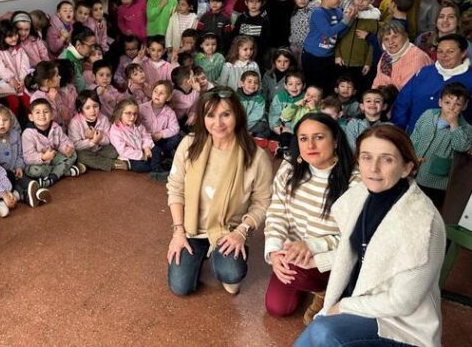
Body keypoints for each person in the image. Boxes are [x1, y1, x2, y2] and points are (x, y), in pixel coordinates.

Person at [296, 125, 445, 347]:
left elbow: (403, 302)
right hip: (363, 302)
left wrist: (343, 307)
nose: (373, 168)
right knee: (321, 330)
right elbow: (368, 253)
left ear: (406, 168)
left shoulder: (424, 223)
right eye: (366, 157)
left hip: (401, 324)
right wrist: (319, 260)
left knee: (324, 332)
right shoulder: (361, 195)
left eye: (387, 160)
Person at [167, 87, 273, 296]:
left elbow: (263, 202)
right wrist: (178, 231)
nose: (218, 123)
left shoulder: (256, 156)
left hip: (228, 230)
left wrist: (241, 232)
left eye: (226, 114)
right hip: (191, 229)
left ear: (237, 115)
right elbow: (175, 188)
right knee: (180, 287)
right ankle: (202, 253)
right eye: (210, 115)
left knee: (231, 274)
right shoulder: (189, 145)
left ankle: (224, 261)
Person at [265, 113, 355, 324]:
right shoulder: (289, 169)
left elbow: (352, 236)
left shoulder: (355, 179)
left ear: (335, 140)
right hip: (292, 253)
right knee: (277, 308)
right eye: (303, 138)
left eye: (319, 137)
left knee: (298, 271)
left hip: (329, 257)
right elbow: (276, 213)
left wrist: (312, 246)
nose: (310, 145)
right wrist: (274, 251)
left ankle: (326, 289)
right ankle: (309, 281)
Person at [392, 34, 472, 132]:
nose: (444, 55)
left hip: (449, 141)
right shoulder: (424, 72)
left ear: (463, 53)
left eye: (450, 51)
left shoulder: (469, 79)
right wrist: (399, 128)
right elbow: (403, 102)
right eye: (440, 51)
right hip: (414, 135)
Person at [411, 82, 472, 209]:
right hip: (413, 170)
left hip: (436, 180)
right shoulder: (428, 114)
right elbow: (415, 136)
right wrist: (411, 155)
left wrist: (454, 125)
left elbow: (461, 147)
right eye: (447, 103)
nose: (451, 108)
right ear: (440, 102)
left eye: (458, 104)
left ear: (465, 106)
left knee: (428, 210)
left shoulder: (466, 128)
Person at [303, 0, 357, 94]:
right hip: (312, 57)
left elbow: (340, 33)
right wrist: (346, 20)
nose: (340, 0)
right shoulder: (318, 12)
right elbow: (328, 32)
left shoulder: (338, 11)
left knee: (327, 87)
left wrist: (349, 21)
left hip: (328, 56)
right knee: (312, 87)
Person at [22, 98, 84, 190]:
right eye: (37, 112)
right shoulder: (28, 133)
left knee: (73, 154)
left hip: (54, 157)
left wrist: (66, 148)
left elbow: (63, 141)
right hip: (39, 163)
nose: (42, 115)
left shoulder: (55, 127)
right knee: (33, 171)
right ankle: (62, 171)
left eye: (46, 112)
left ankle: (52, 178)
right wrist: (43, 157)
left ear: (51, 115)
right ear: (31, 117)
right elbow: (28, 157)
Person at [68, 89, 123, 172]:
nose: (92, 111)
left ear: (99, 105)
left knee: (115, 151)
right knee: (80, 156)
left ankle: (90, 164)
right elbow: (75, 144)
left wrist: (98, 138)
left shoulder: (103, 118)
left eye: (95, 106)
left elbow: (109, 139)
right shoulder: (75, 122)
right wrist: (92, 142)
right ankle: (113, 164)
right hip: (84, 151)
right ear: (80, 109)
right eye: (87, 108)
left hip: (101, 148)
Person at [372, 22, 432, 91]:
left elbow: (408, 90)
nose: (391, 42)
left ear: (405, 36)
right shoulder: (385, 57)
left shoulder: (417, 57)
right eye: (386, 39)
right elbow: (377, 83)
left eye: (394, 37)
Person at [0, 19, 31, 118]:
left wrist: (22, 79)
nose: (14, 38)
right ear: (2, 36)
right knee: (14, 103)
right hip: (6, 87)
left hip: (21, 84)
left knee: (29, 101)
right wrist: (11, 80)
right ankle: (13, 124)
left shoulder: (20, 49)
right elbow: (0, 68)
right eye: (10, 36)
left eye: (16, 34)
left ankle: (32, 124)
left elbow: (24, 66)